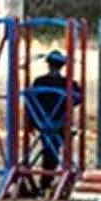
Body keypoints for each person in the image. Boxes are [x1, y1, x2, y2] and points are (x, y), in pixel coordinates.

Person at [22, 48, 80, 190]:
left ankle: (45, 180)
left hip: (41, 123)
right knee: (56, 149)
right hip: (60, 124)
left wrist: (30, 122)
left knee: (48, 148)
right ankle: (48, 181)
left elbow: (30, 102)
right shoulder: (69, 83)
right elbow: (78, 100)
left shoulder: (39, 82)